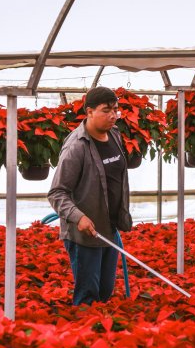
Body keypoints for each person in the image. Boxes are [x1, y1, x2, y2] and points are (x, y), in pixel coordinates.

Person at [47, 87, 132, 305]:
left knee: (104, 291)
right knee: (88, 296)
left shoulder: (114, 135)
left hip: (109, 230)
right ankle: (84, 334)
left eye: (116, 110)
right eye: (106, 110)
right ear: (89, 112)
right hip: (85, 233)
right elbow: (57, 193)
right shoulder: (76, 147)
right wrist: (78, 217)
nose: (113, 115)